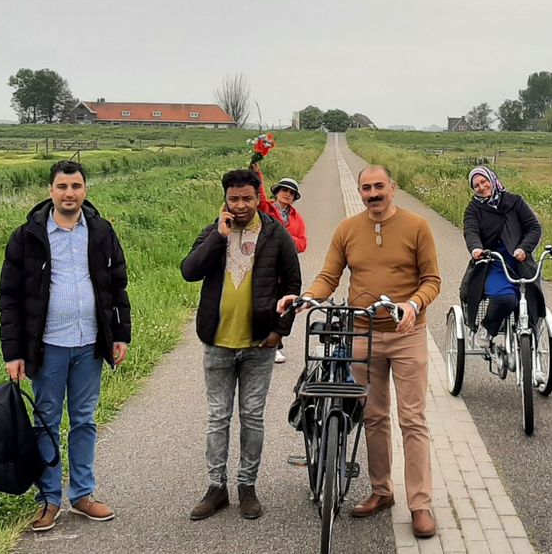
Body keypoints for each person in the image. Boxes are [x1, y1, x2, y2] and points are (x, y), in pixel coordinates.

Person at [279, 165, 441, 539]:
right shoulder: (348, 229)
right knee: (373, 416)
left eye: (378, 186)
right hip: (363, 333)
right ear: (361, 192)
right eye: (366, 188)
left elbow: (432, 279)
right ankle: (382, 491)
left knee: (412, 419)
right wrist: (306, 297)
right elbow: (329, 276)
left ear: (392, 188)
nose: (372, 193)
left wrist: (413, 305)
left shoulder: (417, 226)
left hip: (406, 333)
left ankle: (420, 504)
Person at [0, 160, 131, 533]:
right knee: (46, 423)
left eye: (75, 186)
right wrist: (13, 352)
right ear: (51, 190)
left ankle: (83, 495)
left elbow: (117, 286)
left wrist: (120, 335)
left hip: (90, 343)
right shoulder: (28, 237)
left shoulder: (102, 231)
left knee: (85, 421)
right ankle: (49, 499)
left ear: (85, 189)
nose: (69, 193)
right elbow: (9, 297)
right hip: (48, 346)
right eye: (62, 186)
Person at [181, 168, 301, 521]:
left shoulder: (276, 235)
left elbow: (293, 284)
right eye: (234, 199)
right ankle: (216, 488)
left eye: (247, 198)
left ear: (258, 196)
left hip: (259, 343)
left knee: (251, 417)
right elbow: (189, 271)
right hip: (217, 342)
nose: (241, 205)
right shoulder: (213, 231)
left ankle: (247, 486)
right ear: (225, 200)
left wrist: (280, 331)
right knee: (218, 417)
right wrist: (218, 237)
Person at [459, 166, 544, 358]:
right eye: (476, 185)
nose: (481, 187)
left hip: (520, 262)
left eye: (484, 181)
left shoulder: (515, 201)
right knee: (505, 299)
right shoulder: (473, 209)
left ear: (492, 179)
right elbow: (470, 231)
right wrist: (476, 248)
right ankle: (487, 329)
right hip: (493, 262)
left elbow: (534, 227)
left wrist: (524, 248)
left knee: (530, 301)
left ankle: (532, 348)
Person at [250, 157, 307, 364]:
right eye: (284, 190)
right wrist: (258, 174)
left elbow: (303, 243)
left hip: (285, 265)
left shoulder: (296, 218)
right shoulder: (267, 208)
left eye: (291, 193)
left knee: (283, 303)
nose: (287, 194)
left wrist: (285, 240)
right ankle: (259, 339)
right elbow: (259, 194)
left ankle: (276, 344)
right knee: (262, 302)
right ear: (277, 192)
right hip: (263, 263)